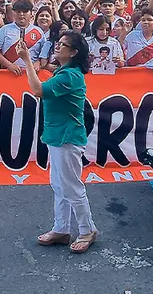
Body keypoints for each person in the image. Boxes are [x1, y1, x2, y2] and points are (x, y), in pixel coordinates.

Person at [19, 31, 98, 254]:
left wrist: (26, 59)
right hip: (58, 135)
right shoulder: (64, 72)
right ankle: (62, 228)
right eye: (59, 42)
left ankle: (87, 230)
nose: (57, 46)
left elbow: (38, 90)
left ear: (73, 52)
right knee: (59, 185)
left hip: (67, 137)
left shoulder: (70, 76)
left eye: (63, 44)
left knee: (71, 186)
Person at [0, 0, 44, 75]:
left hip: (33, 74)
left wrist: (38, 62)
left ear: (31, 13)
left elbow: (44, 52)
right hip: (9, 74)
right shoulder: (4, 30)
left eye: (25, 11)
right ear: (13, 13)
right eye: (18, 11)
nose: (21, 14)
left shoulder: (39, 31)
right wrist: (9, 65)